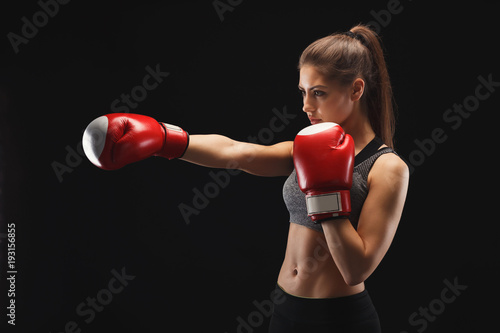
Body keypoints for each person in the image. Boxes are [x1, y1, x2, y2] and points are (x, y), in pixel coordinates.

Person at [82, 24, 409, 332]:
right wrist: (164, 140)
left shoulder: (387, 167)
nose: (307, 106)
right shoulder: (305, 147)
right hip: (286, 310)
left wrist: (326, 194)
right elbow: (237, 154)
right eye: (303, 92)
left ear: (356, 89)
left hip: (340, 319)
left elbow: (356, 270)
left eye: (319, 93)